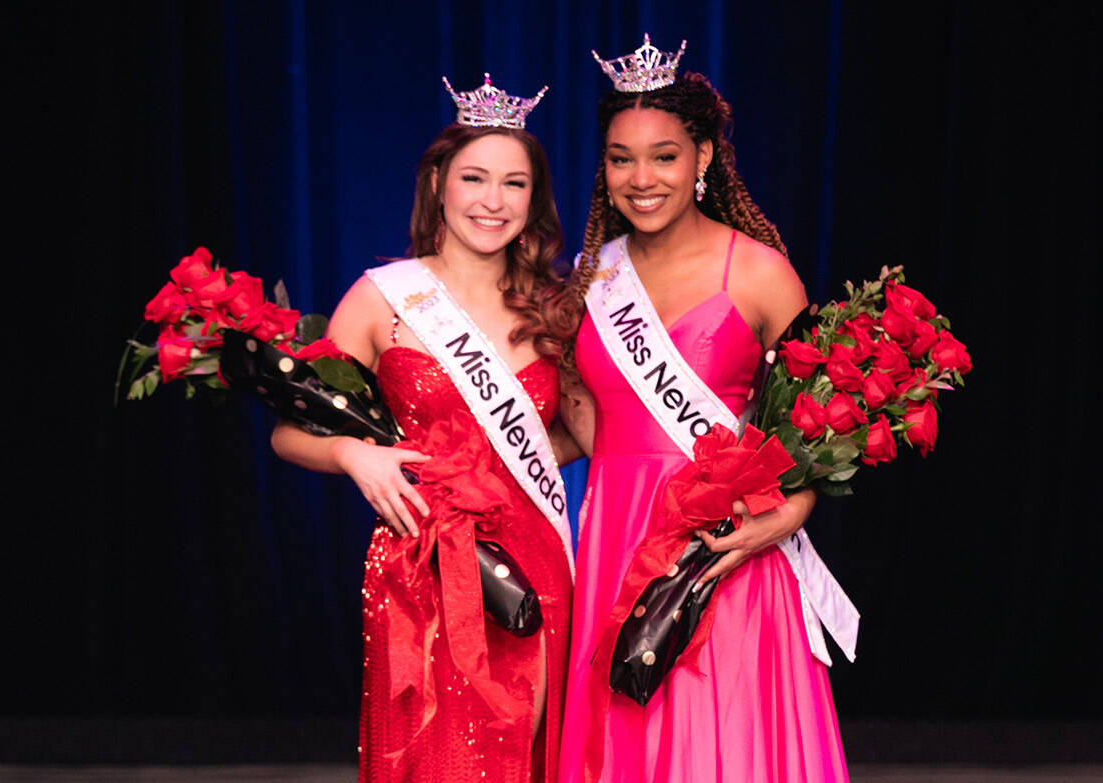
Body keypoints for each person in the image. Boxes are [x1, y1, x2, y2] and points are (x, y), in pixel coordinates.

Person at [558, 36, 855, 782]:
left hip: (724, 546)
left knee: (723, 740)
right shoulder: (592, 278)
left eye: (663, 155)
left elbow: (823, 420)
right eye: (621, 157)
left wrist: (792, 510)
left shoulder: (757, 270)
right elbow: (580, 421)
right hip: (616, 538)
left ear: (703, 158)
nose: (641, 177)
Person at [271, 74, 578, 783]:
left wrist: (495, 468)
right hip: (418, 568)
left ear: (535, 198)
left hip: (533, 563)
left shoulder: (555, 310)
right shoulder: (384, 297)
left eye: (514, 183)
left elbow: (579, 435)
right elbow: (290, 432)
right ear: (438, 181)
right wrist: (355, 454)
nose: (492, 201)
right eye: (474, 178)